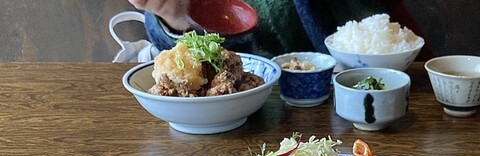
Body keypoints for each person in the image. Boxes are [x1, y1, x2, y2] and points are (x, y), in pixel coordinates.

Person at [127, 0, 430, 58]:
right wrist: (176, 15)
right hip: (228, 122)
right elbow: (176, 53)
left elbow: (372, 31)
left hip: (336, 102)